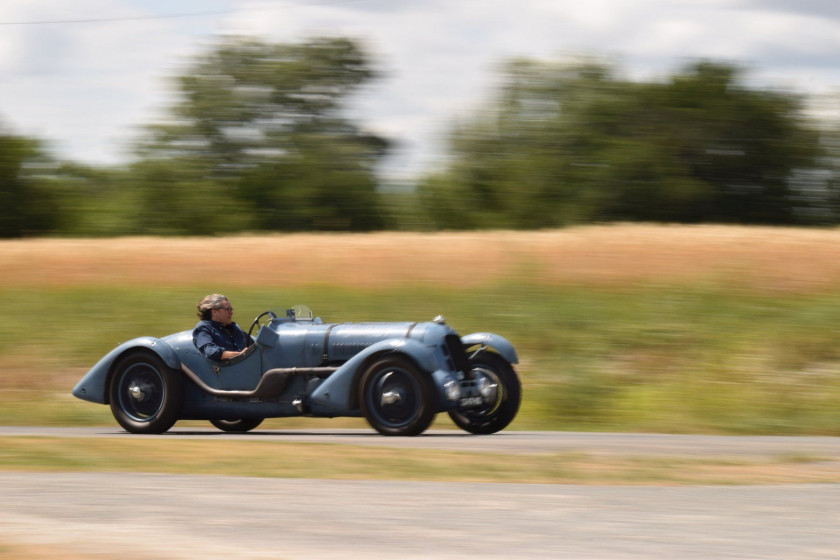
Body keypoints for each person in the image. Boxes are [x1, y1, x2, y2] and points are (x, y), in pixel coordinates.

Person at [192, 294, 251, 361]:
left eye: (231, 309)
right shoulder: (203, 328)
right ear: (214, 312)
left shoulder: (234, 327)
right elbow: (210, 352)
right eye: (228, 309)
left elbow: (253, 345)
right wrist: (240, 355)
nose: (231, 313)